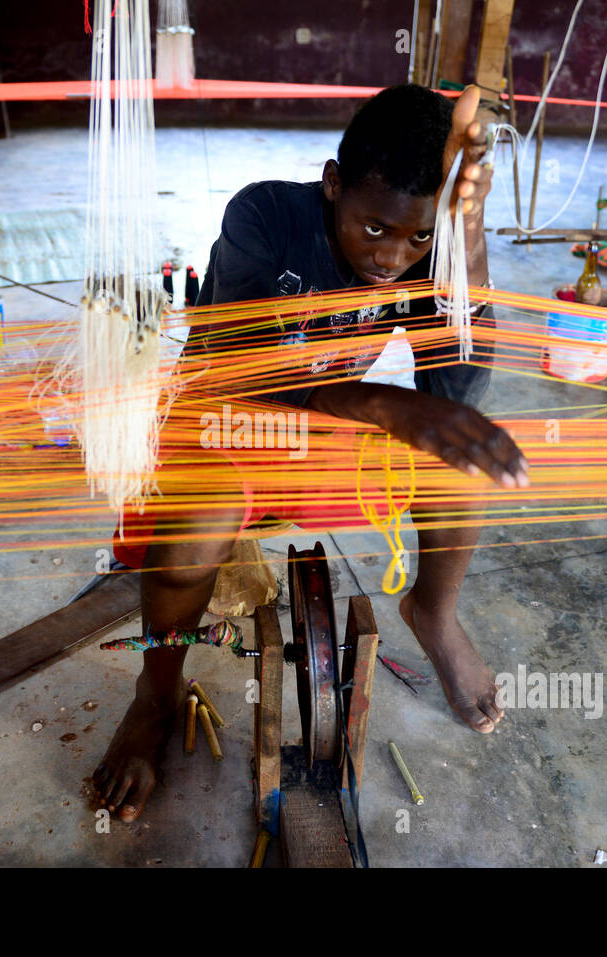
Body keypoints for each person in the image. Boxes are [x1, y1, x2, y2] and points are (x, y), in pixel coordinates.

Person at [93, 84, 529, 821]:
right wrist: (380, 402)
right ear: (333, 185)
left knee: (459, 464)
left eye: (417, 238)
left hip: (319, 434)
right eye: (374, 228)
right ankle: (154, 695)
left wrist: (467, 239)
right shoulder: (262, 215)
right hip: (223, 423)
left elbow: (456, 389)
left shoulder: (427, 249)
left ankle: (432, 611)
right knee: (195, 522)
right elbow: (242, 373)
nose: (391, 258)